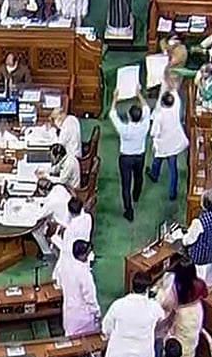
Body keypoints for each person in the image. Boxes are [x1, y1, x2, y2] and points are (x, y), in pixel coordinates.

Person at [102, 273, 166, 357]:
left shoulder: (118, 305)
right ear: (147, 289)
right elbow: (162, 322)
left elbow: (106, 328)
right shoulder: (154, 307)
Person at [154, 257, 208, 357]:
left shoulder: (177, 289)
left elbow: (165, 304)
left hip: (182, 316)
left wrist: (160, 290)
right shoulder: (200, 283)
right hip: (197, 311)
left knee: (169, 334)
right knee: (191, 338)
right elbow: (205, 294)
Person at [109, 86, 150, 222]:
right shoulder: (145, 125)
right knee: (138, 177)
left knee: (125, 184)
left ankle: (129, 210)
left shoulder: (124, 129)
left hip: (126, 158)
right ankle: (136, 195)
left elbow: (112, 114)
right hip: (140, 156)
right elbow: (147, 108)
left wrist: (115, 97)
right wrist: (138, 93)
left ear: (128, 116)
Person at [148, 86, 189, 201]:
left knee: (157, 160)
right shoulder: (176, 108)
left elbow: (154, 132)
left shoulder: (159, 116)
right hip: (173, 142)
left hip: (163, 143)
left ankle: (154, 175)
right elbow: (175, 95)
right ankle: (172, 193)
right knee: (173, 168)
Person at [179, 190, 212, 286]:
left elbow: (188, 240)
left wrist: (183, 237)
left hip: (199, 259)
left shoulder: (199, 223)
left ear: (204, 204)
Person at [59, 240, 100, 337]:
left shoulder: (65, 267)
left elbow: (60, 285)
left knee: (70, 337)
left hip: (69, 312)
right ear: (84, 255)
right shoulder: (84, 273)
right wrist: (97, 313)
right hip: (83, 317)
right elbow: (90, 297)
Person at [51, 197, 92, 284]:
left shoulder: (70, 230)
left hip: (72, 257)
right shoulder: (88, 218)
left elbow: (66, 248)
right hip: (83, 248)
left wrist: (54, 238)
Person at [30, 179, 72, 260]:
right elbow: (47, 199)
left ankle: (47, 253)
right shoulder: (59, 187)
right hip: (70, 218)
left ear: (43, 191)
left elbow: (38, 216)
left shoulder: (51, 203)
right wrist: (35, 200)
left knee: (36, 230)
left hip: (63, 225)